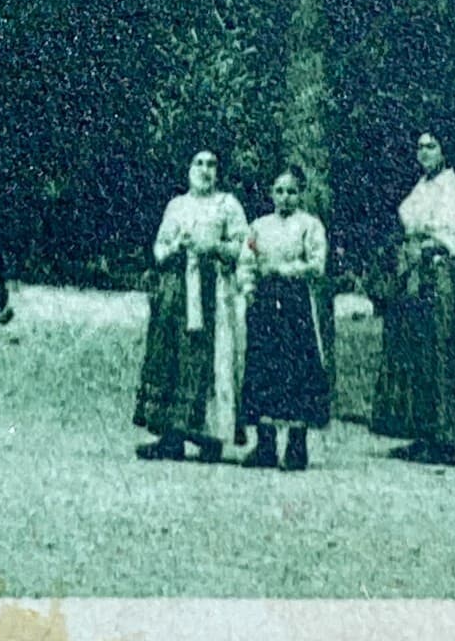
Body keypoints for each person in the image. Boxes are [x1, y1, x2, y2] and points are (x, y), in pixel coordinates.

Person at [370, 130, 455, 465]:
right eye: (420, 147)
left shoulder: (453, 189)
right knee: (417, 352)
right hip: (415, 276)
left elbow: (449, 237)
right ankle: (424, 433)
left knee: (443, 351)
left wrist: (424, 245)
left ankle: (449, 437)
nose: (424, 153)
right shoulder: (421, 187)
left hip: (441, 277)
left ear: (444, 150)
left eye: (431, 146)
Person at [133, 148, 248, 462]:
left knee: (207, 358)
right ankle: (170, 436)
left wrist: (216, 246)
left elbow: (244, 245)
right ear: (188, 168)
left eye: (212, 164)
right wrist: (175, 246)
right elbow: (158, 248)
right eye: (199, 163)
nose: (205, 169)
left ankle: (208, 436)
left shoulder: (228, 205)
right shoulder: (177, 205)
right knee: (171, 356)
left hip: (213, 292)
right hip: (176, 291)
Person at [238, 165, 330, 472]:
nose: (285, 197)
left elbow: (317, 263)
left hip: (295, 301)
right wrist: (249, 287)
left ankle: (296, 446)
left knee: (296, 366)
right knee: (264, 365)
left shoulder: (310, 225)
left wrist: (290, 269)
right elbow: (247, 258)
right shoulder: (259, 226)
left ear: (300, 193)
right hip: (265, 300)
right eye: (279, 191)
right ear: (271, 193)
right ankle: (265, 444)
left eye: (291, 191)